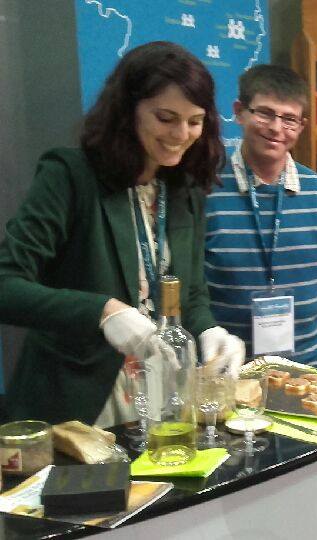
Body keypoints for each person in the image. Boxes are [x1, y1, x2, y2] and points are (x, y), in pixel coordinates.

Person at [0, 42, 244, 426]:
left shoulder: (185, 190)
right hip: (76, 402)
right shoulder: (70, 175)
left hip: (161, 395)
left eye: (195, 121)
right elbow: (6, 285)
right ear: (128, 110)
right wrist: (102, 311)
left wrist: (209, 328)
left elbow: (189, 294)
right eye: (165, 117)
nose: (181, 134)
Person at [205, 65, 317, 369]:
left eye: (289, 119)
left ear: (301, 126)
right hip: (230, 373)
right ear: (239, 112)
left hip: (313, 372)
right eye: (265, 113)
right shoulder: (206, 192)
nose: (276, 128)